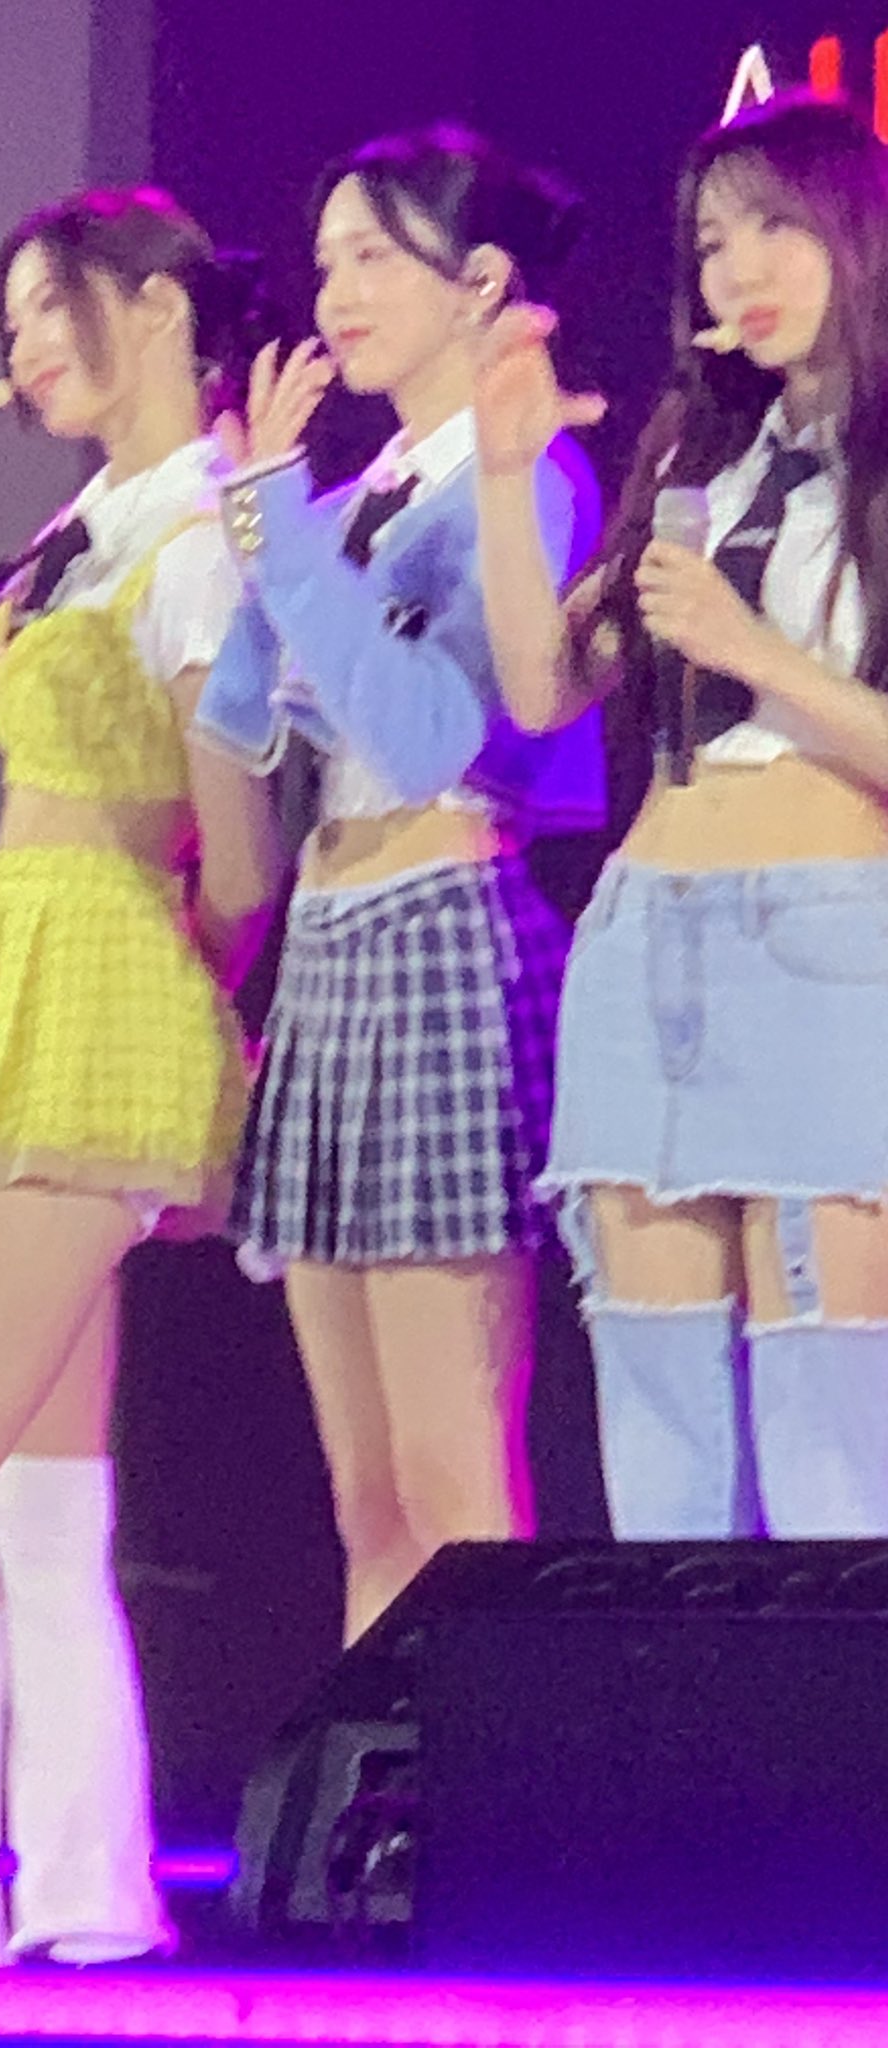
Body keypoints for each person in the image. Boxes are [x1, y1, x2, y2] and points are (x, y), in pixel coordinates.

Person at [0, 185, 284, 1966]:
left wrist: (182, 1004)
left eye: (46, 305)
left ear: (157, 307)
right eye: (8, 313)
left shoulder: (207, 527)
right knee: (33, 1487)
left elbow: (240, 858)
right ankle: (90, 1890)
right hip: (28, 980)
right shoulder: (81, 528)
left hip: (109, 981)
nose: (19, 345)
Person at [195, 127, 603, 1645]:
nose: (336, 295)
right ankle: (385, 1786)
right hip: (327, 946)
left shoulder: (523, 479)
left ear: (479, 280)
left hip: (441, 936)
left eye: (373, 256)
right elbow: (244, 711)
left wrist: (286, 536)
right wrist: (258, 518)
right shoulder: (363, 491)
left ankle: (494, 1789)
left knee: (452, 1482)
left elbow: (435, 736)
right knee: (365, 1502)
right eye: (326, 264)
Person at [473, 90, 888, 1540]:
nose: (739, 270)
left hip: (829, 955)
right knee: (659, 1467)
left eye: (774, 227)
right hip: (646, 950)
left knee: (834, 1464)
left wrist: (757, 651)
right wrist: (507, 477)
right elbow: (545, 688)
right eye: (711, 244)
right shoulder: (698, 453)